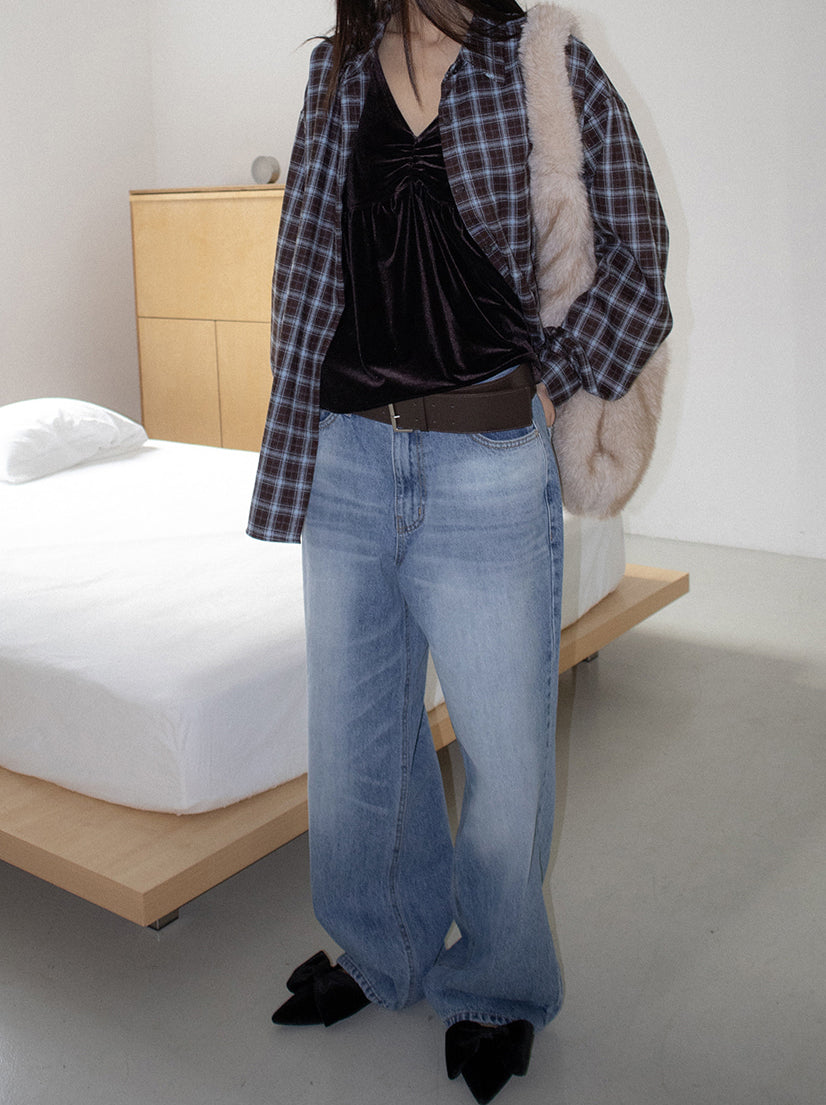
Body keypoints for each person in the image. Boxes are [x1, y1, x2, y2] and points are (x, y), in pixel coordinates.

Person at [248, 1, 672, 1101]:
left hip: (485, 467)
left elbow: (638, 256)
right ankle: (379, 946)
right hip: (347, 457)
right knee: (356, 745)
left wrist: (549, 376)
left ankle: (495, 983)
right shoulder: (337, 73)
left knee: (506, 758)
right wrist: (295, 442)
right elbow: (302, 268)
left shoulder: (540, 63)